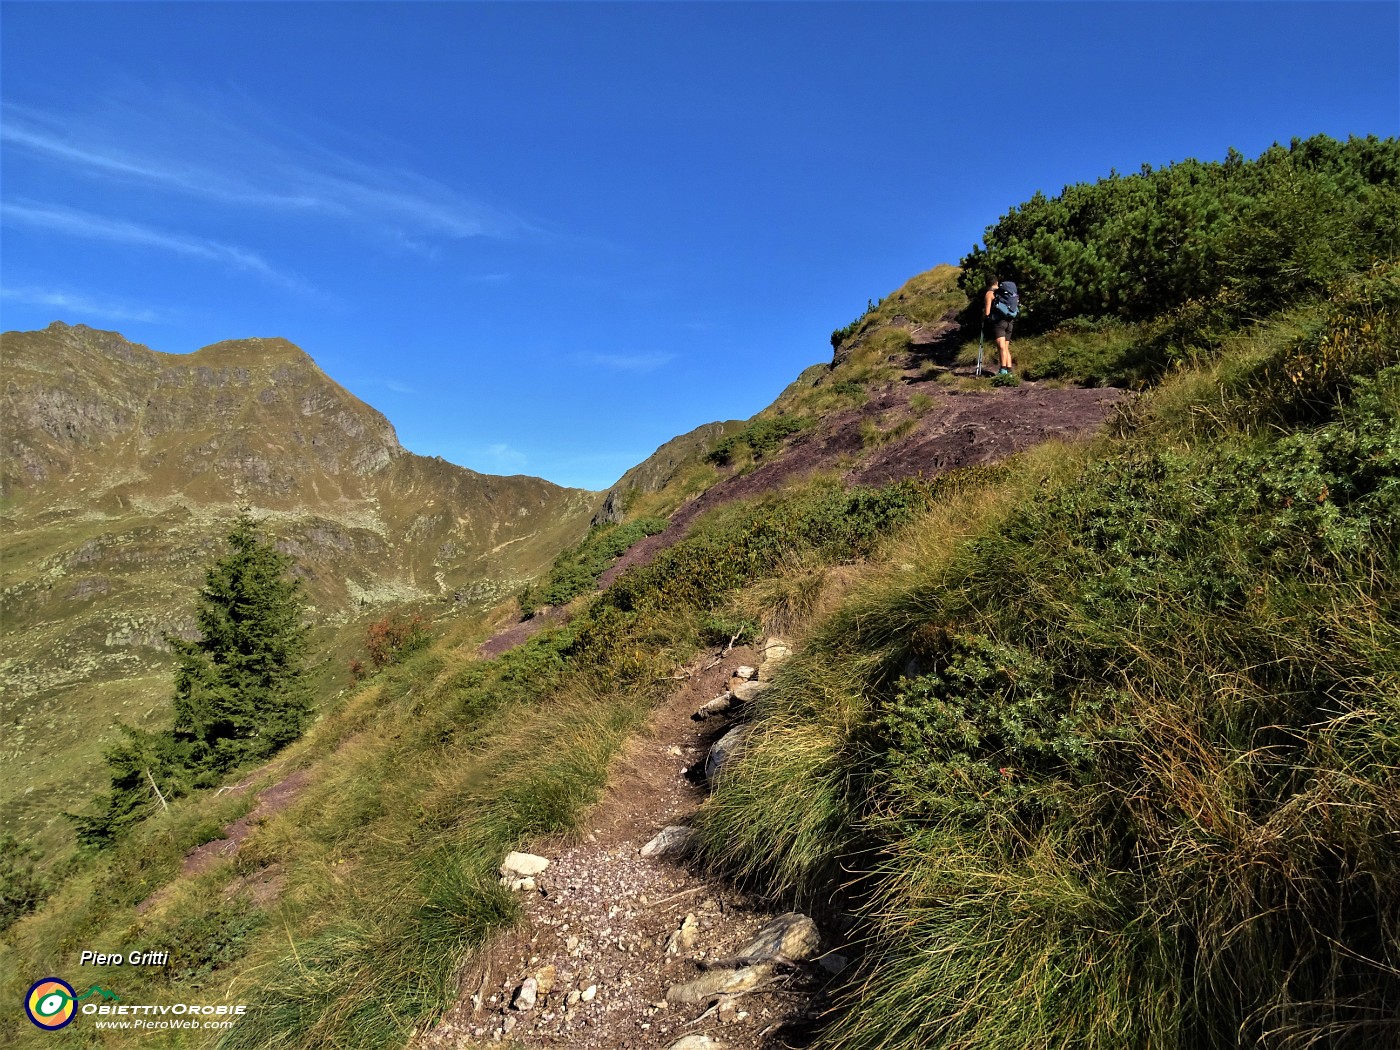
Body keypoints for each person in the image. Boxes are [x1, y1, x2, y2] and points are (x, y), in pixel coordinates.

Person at [982, 277, 1019, 376]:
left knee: (1001, 347)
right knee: (1006, 348)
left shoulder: (989, 293)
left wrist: (984, 317)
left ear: (987, 284)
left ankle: (1003, 371)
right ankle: (1010, 372)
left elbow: (987, 312)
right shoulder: (1004, 292)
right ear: (997, 283)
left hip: (999, 323)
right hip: (1010, 321)